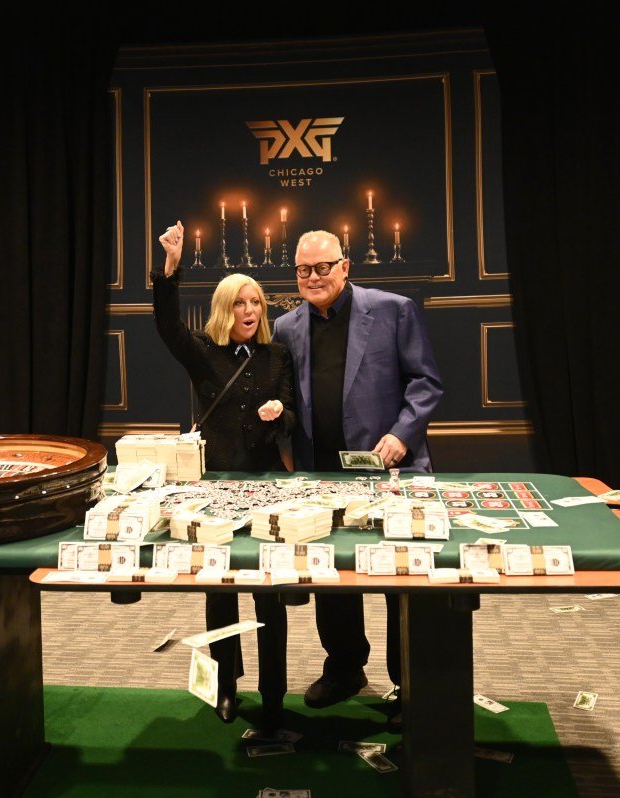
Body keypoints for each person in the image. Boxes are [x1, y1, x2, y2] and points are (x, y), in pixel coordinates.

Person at [272, 229, 443, 711]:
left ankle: (408, 683)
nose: (313, 277)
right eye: (303, 270)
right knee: (331, 578)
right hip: (321, 474)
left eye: (323, 267)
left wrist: (402, 434)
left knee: (399, 579)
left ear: (345, 267)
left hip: (390, 471)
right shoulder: (285, 327)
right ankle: (345, 668)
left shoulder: (393, 310)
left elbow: (426, 382)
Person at [154, 220, 294, 731]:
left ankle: (274, 691)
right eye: (239, 303)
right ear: (223, 309)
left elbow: (294, 417)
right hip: (214, 486)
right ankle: (226, 688)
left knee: (269, 593)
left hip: (265, 485)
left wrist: (280, 411)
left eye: (255, 302)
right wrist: (170, 270)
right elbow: (167, 326)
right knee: (220, 591)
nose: (249, 311)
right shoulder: (203, 353)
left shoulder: (277, 356)